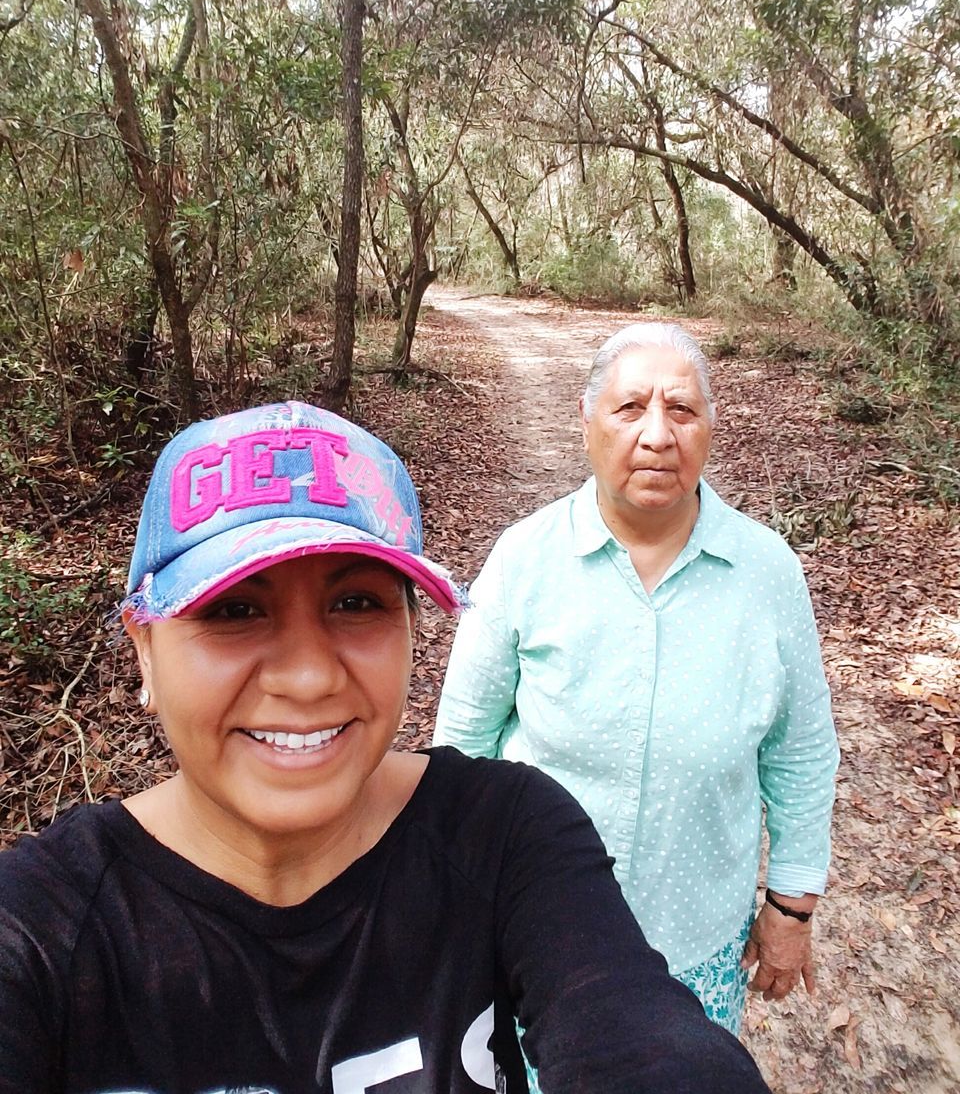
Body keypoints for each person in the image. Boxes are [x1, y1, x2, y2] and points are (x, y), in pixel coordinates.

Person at [0, 399, 771, 1094]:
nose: (306, 676)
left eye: (356, 602)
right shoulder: (46, 929)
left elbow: (631, 1029)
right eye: (234, 609)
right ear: (144, 650)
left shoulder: (506, 834)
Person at [435, 323, 840, 1040]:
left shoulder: (767, 571)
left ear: (712, 426)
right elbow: (463, 746)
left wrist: (791, 907)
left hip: (697, 942)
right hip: (534, 932)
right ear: (586, 422)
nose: (657, 435)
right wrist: (456, 899)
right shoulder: (526, 560)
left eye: (682, 410)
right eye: (629, 409)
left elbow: (800, 749)